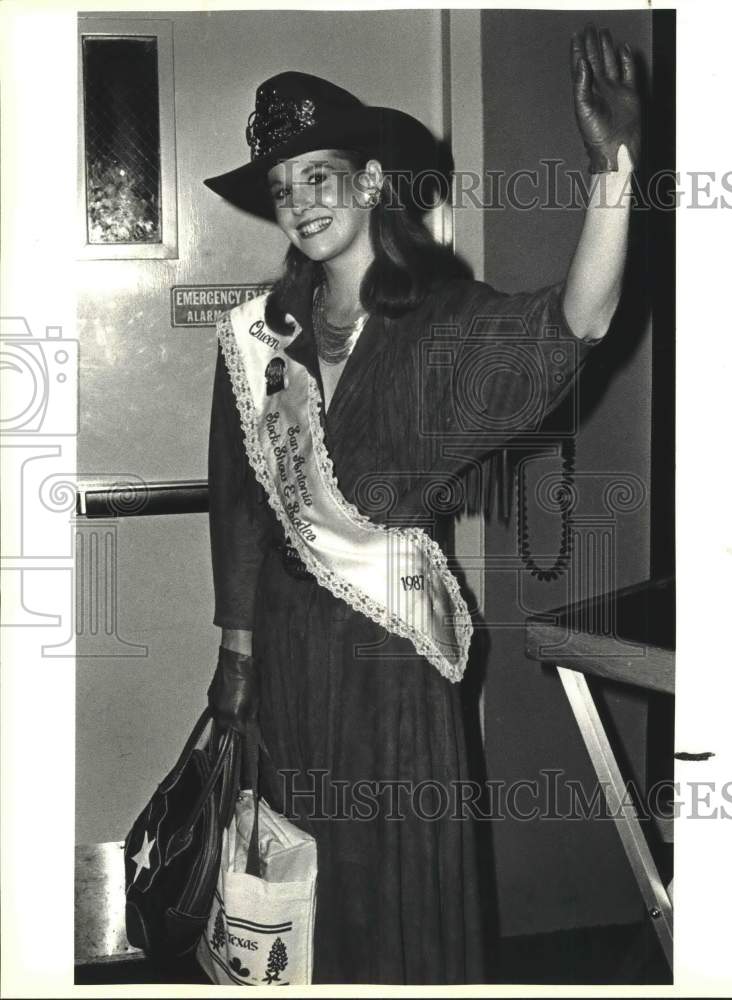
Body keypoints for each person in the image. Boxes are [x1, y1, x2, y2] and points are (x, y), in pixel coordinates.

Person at [202, 25, 640, 985]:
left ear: (367, 182)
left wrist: (615, 171)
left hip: (391, 659)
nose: (300, 203)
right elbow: (238, 504)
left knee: (398, 880)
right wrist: (234, 649)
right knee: (299, 874)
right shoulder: (257, 338)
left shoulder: (437, 322)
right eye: (282, 189)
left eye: (319, 177)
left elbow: (579, 320)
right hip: (287, 657)